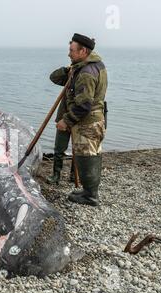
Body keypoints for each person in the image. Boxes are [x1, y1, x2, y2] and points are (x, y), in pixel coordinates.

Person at [52, 33, 108, 206]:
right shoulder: (96, 65)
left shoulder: (86, 73)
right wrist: (69, 69)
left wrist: (66, 121)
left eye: (72, 50)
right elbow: (54, 77)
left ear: (83, 51)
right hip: (96, 119)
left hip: (87, 123)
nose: (69, 54)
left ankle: (90, 196)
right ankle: (89, 191)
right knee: (93, 155)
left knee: (87, 157)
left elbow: (83, 105)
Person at [46, 91, 75, 185]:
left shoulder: (87, 77)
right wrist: (67, 75)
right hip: (64, 117)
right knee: (59, 148)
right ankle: (56, 175)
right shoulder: (69, 78)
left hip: (79, 118)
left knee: (79, 150)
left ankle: (75, 175)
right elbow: (55, 78)